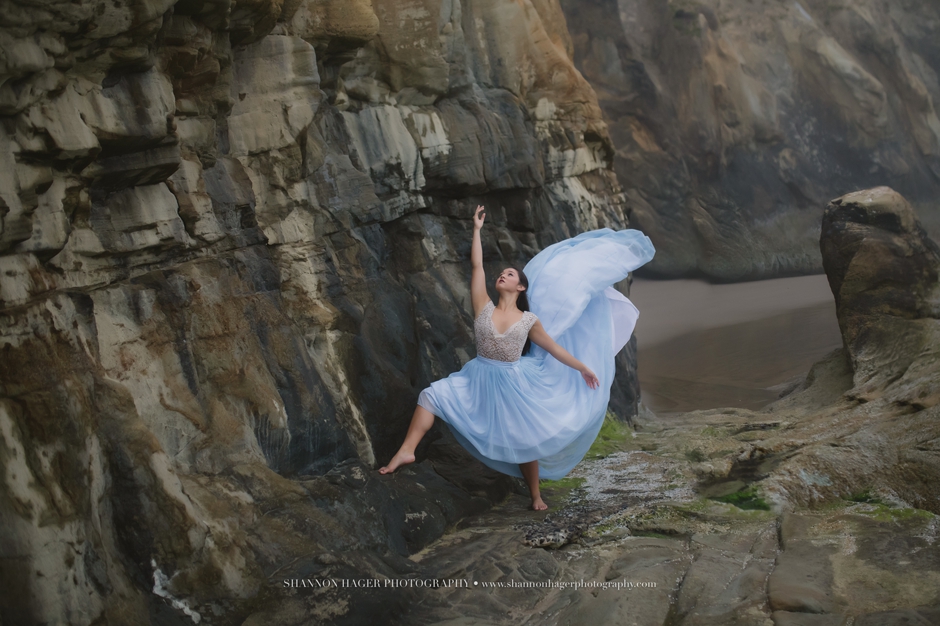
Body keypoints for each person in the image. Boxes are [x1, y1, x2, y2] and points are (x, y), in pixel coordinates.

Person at [379, 205, 655, 511]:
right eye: (502, 273)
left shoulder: (529, 320)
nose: (502, 275)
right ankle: (406, 451)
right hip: (478, 376)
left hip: (514, 382)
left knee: (524, 440)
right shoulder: (483, 305)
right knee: (430, 396)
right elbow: (476, 267)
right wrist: (476, 231)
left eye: (509, 274)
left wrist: (582, 368)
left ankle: (535, 495)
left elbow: (554, 348)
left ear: (520, 286)